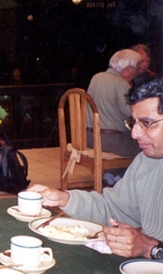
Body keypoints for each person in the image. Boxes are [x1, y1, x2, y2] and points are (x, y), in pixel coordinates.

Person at [28, 77, 163, 259]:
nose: (134, 133)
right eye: (133, 123)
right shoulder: (146, 162)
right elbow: (114, 208)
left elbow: (149, 247)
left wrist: (150, 248)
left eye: (147, 123)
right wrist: (65, 198)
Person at [86, 49, 142, 158]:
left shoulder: (96, 77)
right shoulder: (121, 84)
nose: (138, 72)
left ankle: (111, 174)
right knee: (147, 146)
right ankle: (118, 174)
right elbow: (132, 114)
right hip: (109, 142)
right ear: (128, 69)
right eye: (137, 68)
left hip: (88, 138)